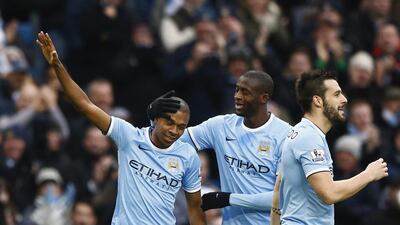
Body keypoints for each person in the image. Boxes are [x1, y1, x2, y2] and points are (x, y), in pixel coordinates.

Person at [36, 31, 206, 225]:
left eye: (181, 127)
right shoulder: (129, 136)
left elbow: (195, 208)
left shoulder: (188, 156)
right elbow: (85, 104)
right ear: (156, 119)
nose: (175, 131)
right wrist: (57, 65)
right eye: (170, 123)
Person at [148, 70, 292, 224]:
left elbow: (282, 197)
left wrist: (228, 199)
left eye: (245, 93)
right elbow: (172, 139)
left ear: (264, 98)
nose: (237, 96)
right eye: (237, 89)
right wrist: (154, 118)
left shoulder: (286, 136)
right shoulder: (221, 126)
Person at [274, 70, 388, 225]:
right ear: (318, 101)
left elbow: (277, 193)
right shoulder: (309, 137)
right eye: (336, 94)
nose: (344, 99)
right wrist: (368, 175)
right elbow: (328, 193)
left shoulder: (302, 133)